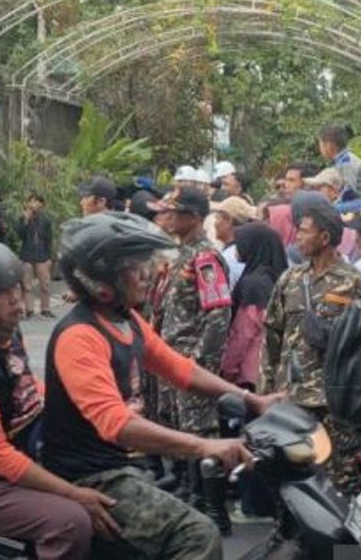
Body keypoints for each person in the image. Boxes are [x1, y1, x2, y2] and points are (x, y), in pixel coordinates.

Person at [42, 212, 276, 560]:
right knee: (198, 537)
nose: (146, 274)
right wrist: (203, 447)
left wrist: (250, 398)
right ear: (100, 280)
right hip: (91, 476)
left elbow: (179, 368)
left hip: (119, 466)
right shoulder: (80, 337)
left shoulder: (125, 319)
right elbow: (117, 424)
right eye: (134, 268)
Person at [0, 240, 114, 560]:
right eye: (5, 294)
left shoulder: (4, 330)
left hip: (21, 450)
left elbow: (26, 386)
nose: (17, 300)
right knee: (69, 523)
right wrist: (74, 494)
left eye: (17, 289)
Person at [261, 200, 361, 492]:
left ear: (325, 238)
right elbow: (272, 334)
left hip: (333, 400)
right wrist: (267, 389)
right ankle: (285, 533)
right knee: (292, 470)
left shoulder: (354, 283)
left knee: (340, 477)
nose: (297, 236)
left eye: (305, 231)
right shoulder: (290, 279)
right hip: (292, 396)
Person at [152, 188, 235, 531]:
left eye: (175, 212)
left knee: (202, 432)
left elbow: (218, 314)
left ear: (194, 217)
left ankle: (215, 511)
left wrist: (199, 362)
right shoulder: (181, 254)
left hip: (191, 362)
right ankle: (193, 497)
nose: (168, 218)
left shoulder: (205, 257)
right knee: (181, 431)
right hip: (172, 360)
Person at [220, 222, 286, 392]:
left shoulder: (253, 284)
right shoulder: (273, 277)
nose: (236, 249)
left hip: (248, 374)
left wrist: (228, 368)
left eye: (240, 243)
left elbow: (242, 334)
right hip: (269, 370)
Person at [15, 193, 54, 319]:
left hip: (42, 255)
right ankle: (30, 310)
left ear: (42, 204)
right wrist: (26, 220)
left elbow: (49, 240)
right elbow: (19, 235)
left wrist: (49, 257)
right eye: (31, 201)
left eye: (37, 201)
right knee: (27, 285)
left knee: (45, 284)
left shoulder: (46, 220)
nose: (33, 204)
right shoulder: (23, 218)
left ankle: (45, 309)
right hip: (27, 255)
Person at [317, 125, 361, 202]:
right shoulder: (341, 160)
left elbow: (348, 192)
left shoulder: (347, 161)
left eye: (320, 145)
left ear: (329, 145)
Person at [206, 196, 255, 287]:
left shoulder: (230, 257)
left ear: (228, 221)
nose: (215, 223)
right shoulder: (246, 252)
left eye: (217, 218)